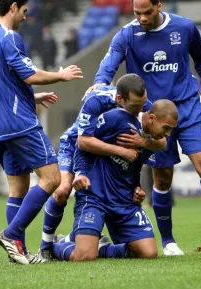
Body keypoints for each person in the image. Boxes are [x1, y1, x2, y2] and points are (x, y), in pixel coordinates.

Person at [84, 0, 201, 255]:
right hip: (153, 115)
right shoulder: (127, 34)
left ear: (159, 5)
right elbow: (109, 64)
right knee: (162, 176)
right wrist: (100, 84)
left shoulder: (184, 28)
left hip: (188, 106)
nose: (142, 18)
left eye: (147, 12)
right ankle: (169, 241)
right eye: (137, 13)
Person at [0, 0, 83, 265]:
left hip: (1, 125)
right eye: (24, 11)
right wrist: (61, 75)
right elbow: (28, 74)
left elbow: (5, 82)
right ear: (13, 7)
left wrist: (32, 98)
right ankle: (11, 234)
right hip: (21, 124)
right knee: (52, 179)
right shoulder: (10, 37)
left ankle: (18, 253)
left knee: (18, 189)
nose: (26, 18)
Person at [38, 73, 166, 260]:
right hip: (74, 142)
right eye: (136, 106)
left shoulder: (140, 111)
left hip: (116, 188)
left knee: (148, 253)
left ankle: (96, 245)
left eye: (143, 105)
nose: (141, 110)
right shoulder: (97, 102)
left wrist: (142, 144)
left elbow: (155, 147)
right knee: (62, 190)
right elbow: (83, 142)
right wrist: (84, 170)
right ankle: (47, 245)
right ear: (120, 99)